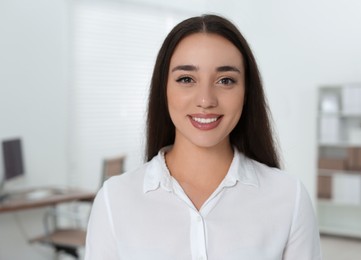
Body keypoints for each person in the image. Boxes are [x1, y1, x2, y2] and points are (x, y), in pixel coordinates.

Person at [85, 14, 321, 260]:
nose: (206, 100)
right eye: (186, 79)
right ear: (163, 89)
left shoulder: (288, 197)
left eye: (225, 80)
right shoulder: (115, 200)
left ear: (246, 91)